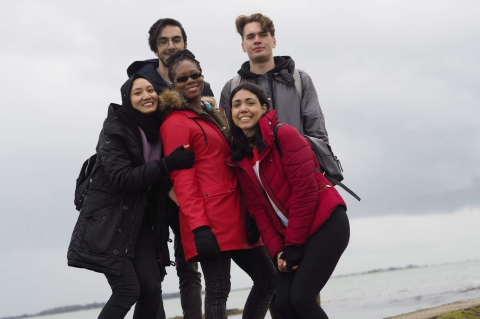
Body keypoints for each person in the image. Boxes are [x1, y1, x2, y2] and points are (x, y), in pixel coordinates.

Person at [158, 49, 276, 319]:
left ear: (202, 76)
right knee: (218, 289)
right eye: (182, 78)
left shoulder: (212, 113)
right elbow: (183, 181)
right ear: (172, 85)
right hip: (209, 221)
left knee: (268, 278)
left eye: (195, 75)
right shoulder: (175, 123)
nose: (190, 81)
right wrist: (200, 228)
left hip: (236, 215)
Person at [67, 74, 195, 319]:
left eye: (150, 90)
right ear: (128, 99)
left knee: (151, 290)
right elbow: (123, 178)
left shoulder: (161, 128)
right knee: (127, 289)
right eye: (138, 93)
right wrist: (169, 163)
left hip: (139, 222)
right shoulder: (115, 129)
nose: (146, 96)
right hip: (107, 220)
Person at [226, 82, 350, 319]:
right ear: (230, 113)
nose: (243, 109)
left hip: (326, 223)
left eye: (250, 102)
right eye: (236, 104)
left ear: (264, 107)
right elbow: (258, 210)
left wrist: (292, 246)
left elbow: (306, 192)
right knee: (282, 306)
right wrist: (278, 251)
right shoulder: (240, 155)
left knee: (302, 299)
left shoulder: (284, 135)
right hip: (292, 235)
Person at [126, 18, 213, 318]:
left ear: (185, 43)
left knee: (191, 262)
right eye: (164, 41)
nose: (171, 45)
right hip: (155, 190)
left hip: (191, 187)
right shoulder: (142, 86)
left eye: (176, 39)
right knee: (155, 269)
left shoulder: (197, 81)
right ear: (154, 47)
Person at [220, 13, 329, 143]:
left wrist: (321, 161)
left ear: (274, 41)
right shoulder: (231, 88)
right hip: (251, 162)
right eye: (250, 37)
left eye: (263, 34)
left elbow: (317, 131)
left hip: (297, 161)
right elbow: (226, 137)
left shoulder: (300, 80)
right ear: (243, 46)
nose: (257, 40)